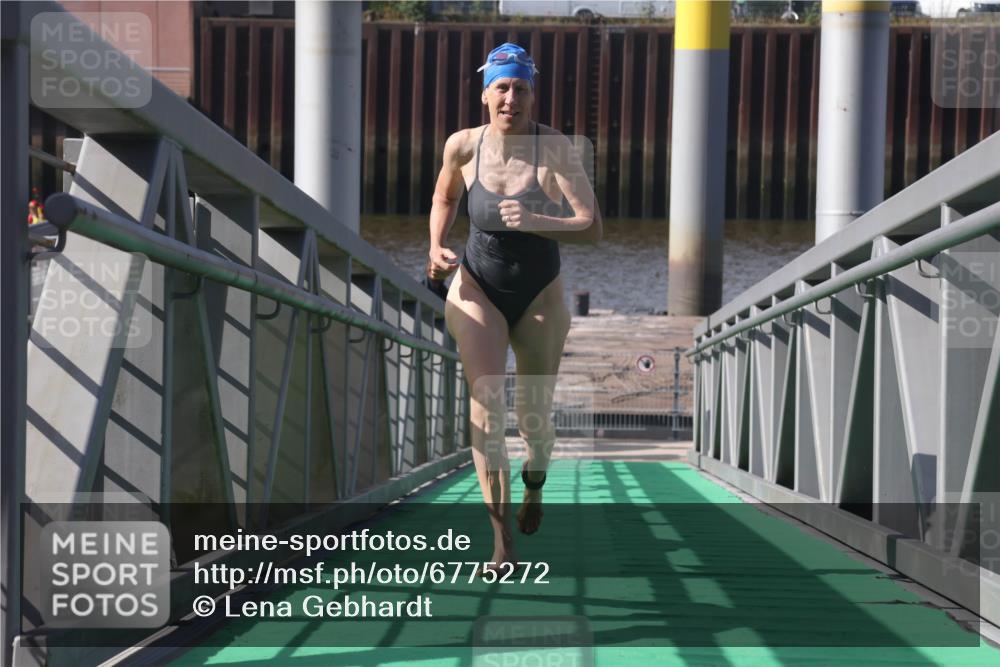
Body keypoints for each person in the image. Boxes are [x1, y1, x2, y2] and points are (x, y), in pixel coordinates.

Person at [426, 43, 602, 574]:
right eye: (501, 87)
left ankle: (535, 486)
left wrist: (533, 221)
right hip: (478, 286)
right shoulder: (462, 146)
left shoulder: (556, 151)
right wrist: (435, 246)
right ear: (485, 95)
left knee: (534, 423)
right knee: (485, 408)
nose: (511, 98)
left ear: (532, 94)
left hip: (540, 295)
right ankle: (502, 543)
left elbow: (593, 229)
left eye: (520, 88)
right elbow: (445, 198)